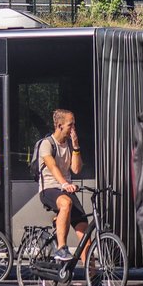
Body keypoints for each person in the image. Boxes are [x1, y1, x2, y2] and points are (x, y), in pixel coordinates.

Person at [36, 109, 85, 262]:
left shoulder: (69, 145)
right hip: (49, 189)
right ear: (59, 125)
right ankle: (61, 249)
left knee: (85, 233)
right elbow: (52, 166)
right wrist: (64, 183)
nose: (73, 129)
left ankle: (93, 277)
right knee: (66, 203)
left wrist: (76, 146)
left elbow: (76, 169)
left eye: (74, 125)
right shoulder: (47, 144)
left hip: (65, 190)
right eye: (71, 125)